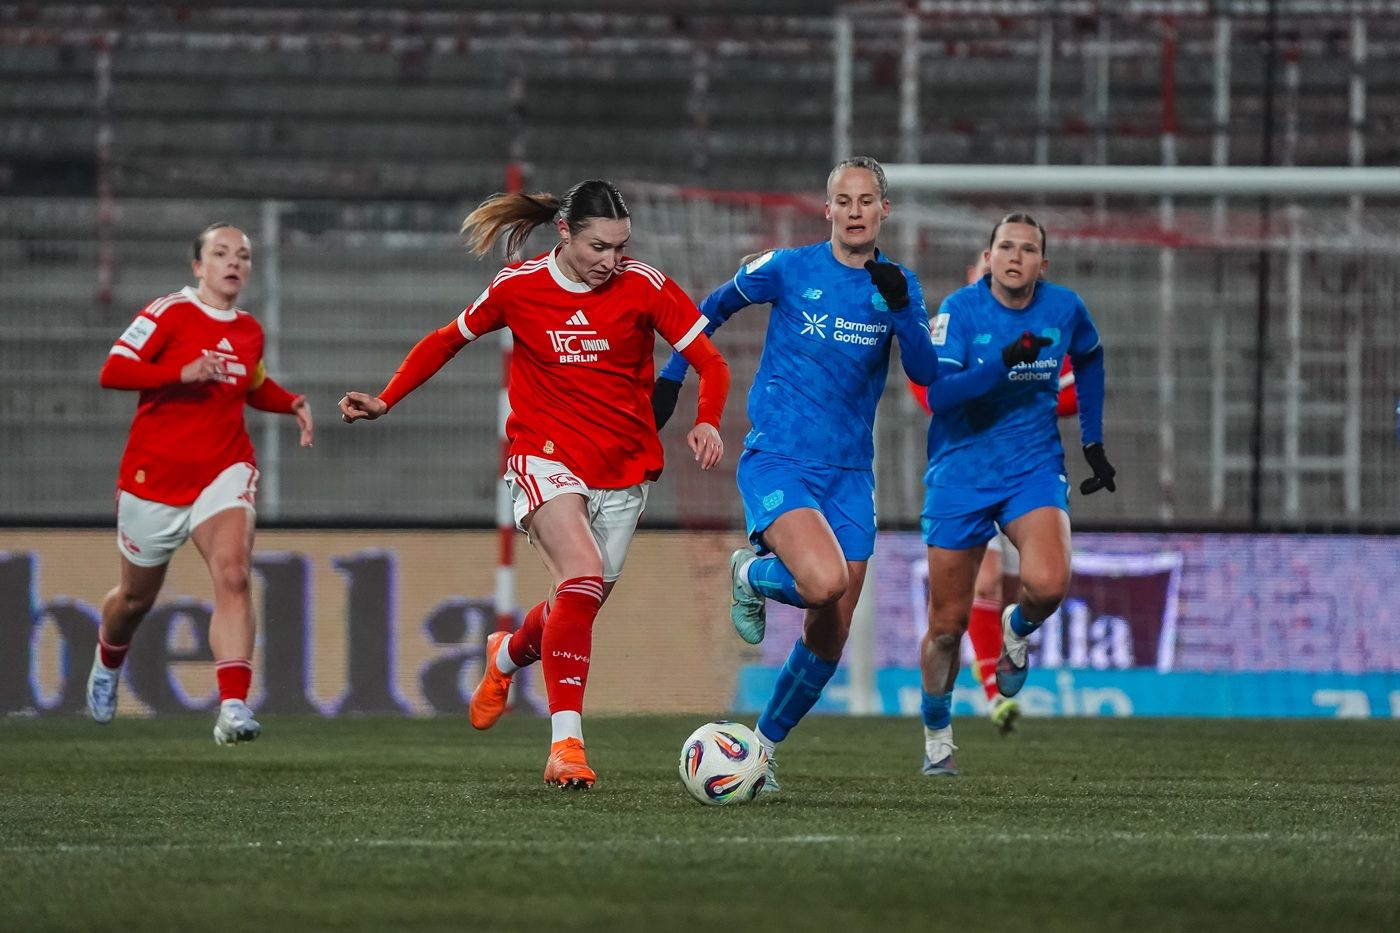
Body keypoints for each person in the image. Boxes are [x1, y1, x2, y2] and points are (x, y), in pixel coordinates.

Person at [340, 179, 729, 790]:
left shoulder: (645, 285)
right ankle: (566, 747)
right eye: (599, 247)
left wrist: (707, 420)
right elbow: (446, 341)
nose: (612, 260)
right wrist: (386, 399)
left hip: (625, 468)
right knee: (581, 575)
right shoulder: (518, 287)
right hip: (543, 456)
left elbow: (711, 361)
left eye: (621, 247)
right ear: (565, 233)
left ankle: (504, 655)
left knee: (577, 602)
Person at [652, 156, 939, 794]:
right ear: (828, 208)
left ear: (884, 210)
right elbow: (713, 306)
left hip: (850, 474)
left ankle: (760, 749)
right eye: (845, 200)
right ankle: (748, 573)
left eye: (867, 201)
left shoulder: (900, 285)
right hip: (780, 458)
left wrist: (901, 308)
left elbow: (925, 372)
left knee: (830, 633)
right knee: (823, 582)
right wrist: (673, 377)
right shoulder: (788, 267)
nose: (855, 211)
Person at [87, 223, 314, 744]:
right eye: (221, 253)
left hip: (223, 468)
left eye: (243, 256)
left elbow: (251, 383)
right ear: (198, 266)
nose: (234, 263)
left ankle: (232, 707)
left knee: (234, 574)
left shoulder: (249, 330)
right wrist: (179, 372)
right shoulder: (168, 312)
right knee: (133, 600)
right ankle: (108, 659)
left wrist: (291, 403)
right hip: (154, 479)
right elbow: (114, 370)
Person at [916, 212, 1114, 776]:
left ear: (1041, 264)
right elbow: (938, 397)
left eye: (1027, 249)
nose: (1015, 256)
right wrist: (1005, 363)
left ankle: (1016, 629)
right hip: (960, 474)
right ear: (988, 257)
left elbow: (1091, 357)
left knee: (1049, 584)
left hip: (1032, 468)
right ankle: (937, 736)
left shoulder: (1064, 308)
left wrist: (1093, 441)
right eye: (1006, 246)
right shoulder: (959, 311)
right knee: (947, 627)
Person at [908, 254, 1081, 736]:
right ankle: (990, 700)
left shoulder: (1042, 329)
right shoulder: (951, 326)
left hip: (1027, 477)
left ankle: (1009, 645)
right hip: (967, 477)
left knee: (1030, 587)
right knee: (974, 592)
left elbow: (1074, 392)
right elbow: (928, 393)